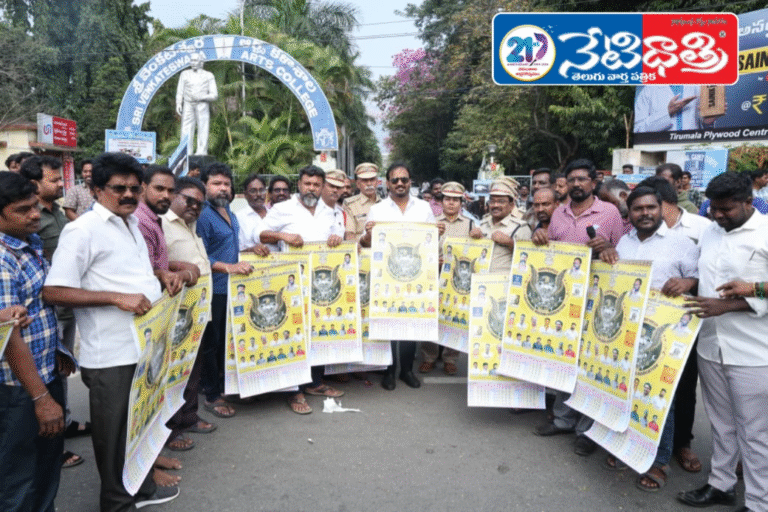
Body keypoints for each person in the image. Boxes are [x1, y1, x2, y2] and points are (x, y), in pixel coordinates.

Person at [43, 153, 179, 510]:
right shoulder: (81, 230)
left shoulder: (131, 223)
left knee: (138, 425)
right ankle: (116, 503)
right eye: (119, 188)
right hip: (110, 353)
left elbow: (128, 272)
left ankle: (141, 489)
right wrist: (115, 298)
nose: (129, 195)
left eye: (135, 188)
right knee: (113, 433)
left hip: (143, 346)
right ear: (96, 189)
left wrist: (159, 275)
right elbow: (54, 290)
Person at [678, 172, 768, 512]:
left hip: (754, 350)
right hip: (711, 345)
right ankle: (721, 485)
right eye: (713, 208)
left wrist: (735, 301)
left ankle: (760, 502)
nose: (717, 215)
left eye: (726, 209)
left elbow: (732, 295)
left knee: (755, 433)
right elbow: (707, 280)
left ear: (748, 202)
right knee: (721, 424)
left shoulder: (765, 232)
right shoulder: (711, 233)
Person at [599, 185, 699, 491]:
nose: (645, 214)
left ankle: (659, 461)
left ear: (662, 209)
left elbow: (700, 278)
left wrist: (688, 281)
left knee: (659, 399)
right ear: (629, 212)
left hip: (664, 336)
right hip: (626, 333)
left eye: (650, 208)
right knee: (626, 391)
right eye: (638, 209)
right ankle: (627, 446)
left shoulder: (683, 243)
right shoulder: (623, 244)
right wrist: (606, 256)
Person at [532, 158, 624, 457]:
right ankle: (563, 418)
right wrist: (540, 236)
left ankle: (588, 429)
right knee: (564, 359)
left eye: (582, 179)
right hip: (563, 303)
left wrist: (609, 250)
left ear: (594, 182)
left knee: (591, 367)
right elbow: (550, 252)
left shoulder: (609, 213)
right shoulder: (558, 213)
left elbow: (625, 255)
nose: (576, 184)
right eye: (571, 179)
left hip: (598, 302)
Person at [0, 171, 74, 511]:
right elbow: (10, 337)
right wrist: (41, 397)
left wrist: (57, 352)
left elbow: (36, 311)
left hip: (44, 373)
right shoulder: (3, 259)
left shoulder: (27, 245)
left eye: (34, 206)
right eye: (23, 210)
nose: (34, 215)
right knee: (20, 478)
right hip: (20, 388)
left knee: (46, 465)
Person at [20, 156, 88, 469]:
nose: (61, 185)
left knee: (60, 372)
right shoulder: (26, 222)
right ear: (33, 184)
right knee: (41, 379)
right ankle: (50, 443)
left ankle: (65, 422)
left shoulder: (57, 212)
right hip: (41, 313)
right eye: (54, 180)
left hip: (62, 310)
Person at [261, 165, 345, 413]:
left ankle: (315, 382)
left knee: (317, 331)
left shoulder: (328, 210)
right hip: (291, 282)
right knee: (294, 333)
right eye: (307, 183)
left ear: (322, 187)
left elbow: (337, 234)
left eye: (316, 185)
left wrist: (336, 238)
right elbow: (261, 234)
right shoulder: (283, 208)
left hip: (319, 285)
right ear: (299, 184)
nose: (311, 188)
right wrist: (284, 237)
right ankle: (294, 391)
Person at [360, 162, 441, 390]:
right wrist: (367, 235)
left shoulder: (424, 208)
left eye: (404, 179)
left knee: (409, 323)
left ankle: (406, 370)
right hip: (387, 275)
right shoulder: (378, 209)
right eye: (394, 180)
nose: (399, 184)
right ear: (387, 183)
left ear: (410, 182)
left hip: (416, 275)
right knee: (388, 323)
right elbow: (368, 242)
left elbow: (431, 241)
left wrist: (437, 233)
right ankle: (389, 371)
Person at [196, 162, 253, 418]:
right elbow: (200, 258)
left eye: (226, 184)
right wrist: (230, 268)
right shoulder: (203, 215)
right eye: (216, 183)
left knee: (226, 341)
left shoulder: (231, 212)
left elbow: (231, 248)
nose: (222, 188)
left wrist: (251, 253)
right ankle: (211, 393)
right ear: (205, 186)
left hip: (233, 290)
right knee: (211, 343)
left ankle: (223, 383)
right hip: (214, 290)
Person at [421, 182, 471, 376]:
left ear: (461, 202)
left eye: (455, 200)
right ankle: (429, 356)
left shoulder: (470, 224)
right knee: (432, 316)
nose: (451, 203)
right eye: (447, 199)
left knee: (455, 317)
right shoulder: (431, 222)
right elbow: (422, 250)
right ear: (441, 201)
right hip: (433, 276)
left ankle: (450, 358)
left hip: (457, 279)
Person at [469, 178, 531, 272]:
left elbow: (529, 259)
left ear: (511, 205)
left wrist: (510, 243)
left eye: (501, 201)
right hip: (479, 281)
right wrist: (474, 241)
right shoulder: (482, 225)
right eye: (492, 201)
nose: (495, 205)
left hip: (504, 283)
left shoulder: (520, 227)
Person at [175, 52, 218, 155]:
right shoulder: (184, 74)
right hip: (188, 104)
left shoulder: (208, 75)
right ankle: (186, 151)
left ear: (201, 62)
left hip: (202, 104)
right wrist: (178, 103)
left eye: (195, 60)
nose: (193, 63)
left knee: (203, 128)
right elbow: (180, 91)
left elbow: (214, 95)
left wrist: (202, 97)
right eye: (191, 60)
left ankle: (201, 151)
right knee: (186, 129)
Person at [634, 85, 722, 133]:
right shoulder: (648, 91)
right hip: (662, 147)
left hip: (692, 145)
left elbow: (705, 129)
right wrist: (668, 112)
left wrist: (707, 122)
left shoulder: (700, 86)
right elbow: (638, 130)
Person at [342, 163, 380, 240]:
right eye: (365, 180)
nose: (369, 184)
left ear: (377, 182)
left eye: (372, 179)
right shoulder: (350, 204)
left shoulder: (385, 204)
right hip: (361, 249)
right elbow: (349, 234)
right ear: (358, 184)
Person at [236, 174, 271, 255]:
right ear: (245, 194)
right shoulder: (238, 218)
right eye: (253, 191)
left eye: (262, 190)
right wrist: (251, 250)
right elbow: (236, 251)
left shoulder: (273, 214)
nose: (258, 194)